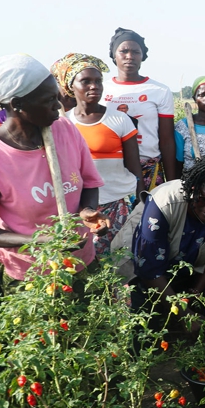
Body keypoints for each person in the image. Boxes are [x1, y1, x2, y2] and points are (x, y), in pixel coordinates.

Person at [0, 54, 108, 280]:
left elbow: (90, 182)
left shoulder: (64, 129)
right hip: (31, 274)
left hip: (81, 260)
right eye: (49, 100)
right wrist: (44, 242)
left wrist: (87, 212)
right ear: (17, 105)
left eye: (58, 97)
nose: (59, 106)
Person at [111, 155, 205, 308]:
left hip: (193, 263)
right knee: (143, 312)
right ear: (194, 189)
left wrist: (194, 294)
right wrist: (182, 313)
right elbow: (148, 267)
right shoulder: (165, 202)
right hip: (140, 261)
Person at [56, 53, 143, 257]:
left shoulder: (119, 120)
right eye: (86, 81)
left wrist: (140, 200)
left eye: (98, 81)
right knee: (85, 261)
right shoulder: (64, 124)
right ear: (71, 86)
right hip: (81, 207)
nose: (94, 86)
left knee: (121, 259)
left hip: (118, 201)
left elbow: (134, 165)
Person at [103, 27, 177, 189]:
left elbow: (166, 140)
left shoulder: (159, 91)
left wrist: (172, 183)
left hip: (148, 168)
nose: (130, 56)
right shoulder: (102, 90)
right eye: (124, 51)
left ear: (143, 56)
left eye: (136, 52)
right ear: (114, 55)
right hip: (111, 168)